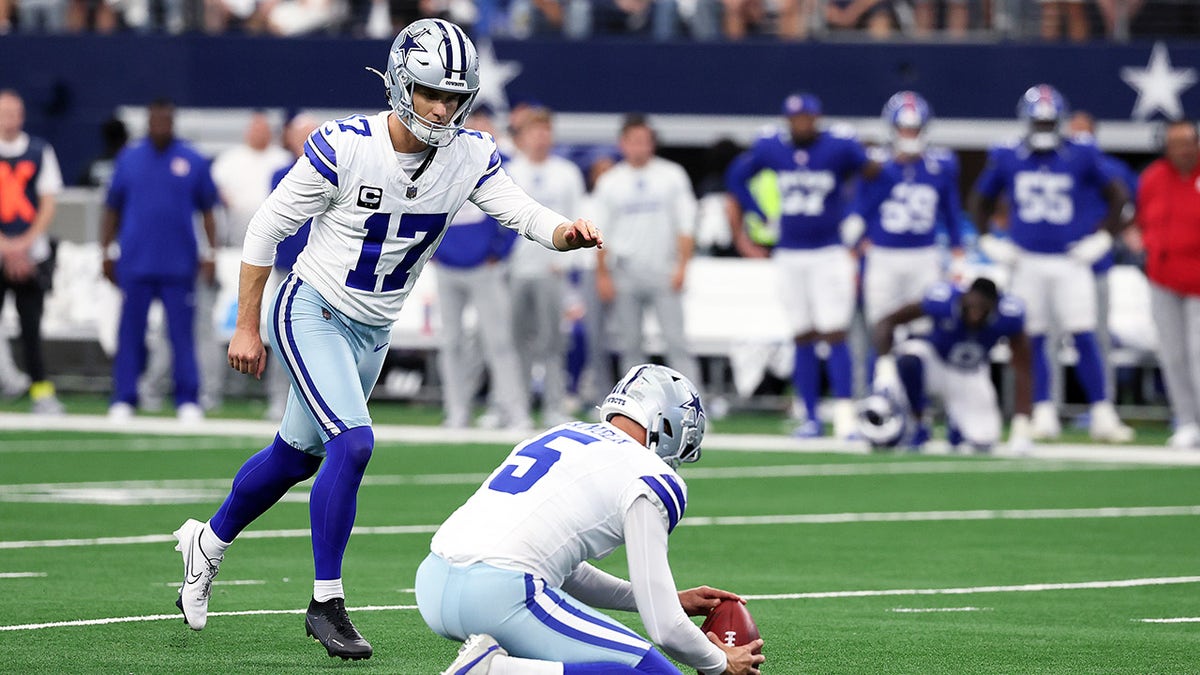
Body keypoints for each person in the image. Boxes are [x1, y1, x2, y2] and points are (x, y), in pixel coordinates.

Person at [171, 18, 603, 661]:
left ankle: (207, 543)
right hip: (312, 307)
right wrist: (245, 323)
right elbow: (263, 231)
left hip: (373, 325)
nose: (443, 107)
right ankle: (325, 601)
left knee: (297, 457)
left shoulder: (469, 154)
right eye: (431, 92)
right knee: (355, 440)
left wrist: (563, 232)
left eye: (455, 97)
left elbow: (520, 210)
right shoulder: (344, 146)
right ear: (401, 84)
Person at [417, 363, 766, 675]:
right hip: (500, 595)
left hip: (433, 583)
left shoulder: (559, 433)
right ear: (668, 426)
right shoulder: (651, 474)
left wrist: (672, 597)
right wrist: (721, 663)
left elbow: (561, 568)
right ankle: (497, 670)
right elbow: (665, 627)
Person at [968, 84, 1133, 443]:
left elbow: (1119, 195)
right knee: (1033, 338)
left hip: (1070, 259)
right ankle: (1041, 409)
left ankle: (1102, 412)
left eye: (1048, 123)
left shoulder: (1081, 153)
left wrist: (1103, 238)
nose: (1043, 129)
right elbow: (979, 199)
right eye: (1038, 123)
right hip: (1026, 261)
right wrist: (987, 241)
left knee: (1084, 333)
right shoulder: (1009, 154)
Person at [725, 92, 880, 439]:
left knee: (835, 331)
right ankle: (810, 415)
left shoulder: (838, 146)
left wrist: (858, 217)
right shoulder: (772, 148)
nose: (801, 124)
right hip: (790, 252)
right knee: (802, 334)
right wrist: (762, 213)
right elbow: (737, 177)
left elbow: (876, 176)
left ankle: (844, 415)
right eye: (794, 118)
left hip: (829, 251)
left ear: (817, 117)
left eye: (806, 117)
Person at [101, 97, 219, 423]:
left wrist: (211, 252)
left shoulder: (192, 160)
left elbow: (209, 209)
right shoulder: (129, 158)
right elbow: (111, 208)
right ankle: (124, 396)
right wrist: (106, 251)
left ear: (173, 121)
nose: (161, 126)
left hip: (179, 263)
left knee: (182, 335)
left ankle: (187, 398)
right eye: (156, 120)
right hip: (136, 261)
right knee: (130, 333)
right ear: (148, 121)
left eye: (166, 120)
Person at [432, 105, 531, 431]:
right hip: (447, 266)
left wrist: (499, 252)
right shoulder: (438, 160)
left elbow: (517, 212)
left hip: (485, 268)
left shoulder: (502, 164)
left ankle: (514, 412)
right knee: (452, 342)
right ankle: (457, 411)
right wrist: (431, 250)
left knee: (499, 342)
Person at [592, 114, 702, 394]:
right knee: (630, 346)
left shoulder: (671, 175)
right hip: (625, 271)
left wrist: (682, 266)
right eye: (634, 141)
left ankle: (690, 402)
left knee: (676, 342)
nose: (640, 147)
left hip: (663, 270)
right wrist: (603, 274)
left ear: (652, 144)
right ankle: (633, 408)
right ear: (623, 144)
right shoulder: (611, 182)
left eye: (645, 141)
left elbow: (686, 224)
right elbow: (600, 232)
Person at [865, 277, 1033, 454]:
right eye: (972, 307)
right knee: (909, 356)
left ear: (994, 306)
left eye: (982, 309)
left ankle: (957, 425)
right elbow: (887, 321)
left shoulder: (1009, 316)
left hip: (970, 374)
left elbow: (1022, 368)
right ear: (965, 298)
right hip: (935, 363)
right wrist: (884, 367)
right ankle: (916, 422)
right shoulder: (943, 301)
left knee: (983, 440)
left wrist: (1021, 425)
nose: (975, 314)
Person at [851, 91, 964, 346]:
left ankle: (916, 386)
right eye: (904, 129)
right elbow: (861, 207)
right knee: (880, 328)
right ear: (892, 129)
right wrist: (857, 242)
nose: (909, 135)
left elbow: (951, 211)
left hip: (924, 255)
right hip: (883, 255)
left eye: (914, 129)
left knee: (922, 329)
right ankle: (878, 385)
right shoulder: (876, 164)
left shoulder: (941, 164)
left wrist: (958, 252)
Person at [505, 105, 587, 425]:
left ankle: (554, 406)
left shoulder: (566, 173)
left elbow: (578, 217)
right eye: (534, 132)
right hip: (515, 270)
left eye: (545, 132)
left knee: (553, 343)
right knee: (516, 343)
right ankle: (517, 408)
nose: (540, 138)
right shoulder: (511, 171)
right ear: (522, 137)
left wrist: (568, 263)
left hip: (551, 269)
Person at [1135, 119, 1200, 448]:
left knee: (1198, 352)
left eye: (1188, 143)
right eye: (1177, 144)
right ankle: (1187, 420)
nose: (1184, 151)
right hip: (1163, 278)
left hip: (1199, 281)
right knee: (1172, 354)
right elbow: (1143, 219)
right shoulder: (1153, 177)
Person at [0, 89, 65, 415]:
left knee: (31, 326)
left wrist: (22, 245)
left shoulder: (39, 151)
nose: (10, 119)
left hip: (31, 254)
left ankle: (41, 390)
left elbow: (48, 202)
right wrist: (5, 245)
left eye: (15, 112)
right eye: (4, 112)